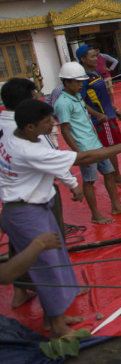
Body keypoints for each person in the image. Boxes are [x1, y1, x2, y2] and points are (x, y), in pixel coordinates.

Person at [0, 99, 121, 338]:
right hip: (26, 212)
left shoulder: (13, 136)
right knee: (47, 266)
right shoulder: (29, 150)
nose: (52, 125)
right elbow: (82, 159)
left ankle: (55, 315)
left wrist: (70, 183)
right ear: (30, 127)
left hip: (33, 205)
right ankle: (56, 327)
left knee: (56, 259)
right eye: (47, 122)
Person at [1, 78, 63, 309]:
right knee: (49, 243)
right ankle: (54, 308)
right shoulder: (22, 130)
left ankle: (20, 290)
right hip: (35, 192)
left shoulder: (4, 123)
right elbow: (53, 159)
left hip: (12, 194)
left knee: (19, 242)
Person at [53, 62, 121, 224]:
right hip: (85, 149)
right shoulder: (62, 103)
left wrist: (97, 114)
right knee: (89, 181)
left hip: (96, 144)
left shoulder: (76, 96)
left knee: (109, 173)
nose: (80, 85)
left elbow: (84, 105)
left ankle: (116, 206)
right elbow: (65, 130)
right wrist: (79, 154)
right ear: (66, 82)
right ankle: (96, 215)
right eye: (77, 82)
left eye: (81, 81)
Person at [77, 44, 121, 186]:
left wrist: (115, 109)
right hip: (103, 118)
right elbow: (82, 101)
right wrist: (98, 115)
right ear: (83, 59)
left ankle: (115, 175)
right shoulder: (84, 79)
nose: (96, 59)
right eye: (92, 56)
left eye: (96, 56)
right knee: (110, 148)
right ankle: (116, 177)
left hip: (109, 115)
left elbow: (102, 97)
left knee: (114, 146)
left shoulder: (96, 74)